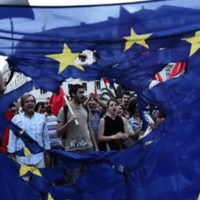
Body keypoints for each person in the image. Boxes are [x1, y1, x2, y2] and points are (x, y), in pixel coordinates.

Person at [57, 84, 98, 184]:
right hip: (72, 151)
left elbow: (90, 129)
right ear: (73, 94)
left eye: (83, 92)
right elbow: (58, 132)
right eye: (80, 92)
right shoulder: (64, 110)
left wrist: (95, 147)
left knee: (88, 180)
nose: (83, 95)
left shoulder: (85, 108)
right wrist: (68, 122)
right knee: (74, 181)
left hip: (88, 149)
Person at [8, 94, 51, 170]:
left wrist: (47, 153)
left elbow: (45, 137)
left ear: (34, 104)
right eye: (27, 102)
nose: (30, 103)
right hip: (21, 159)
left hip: (39, 158)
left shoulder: (42, 118)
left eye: (32, 101)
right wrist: (11, 154)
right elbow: (12, 138)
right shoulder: (16, 119)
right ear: (23, 105)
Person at [43, 98, 63, 167]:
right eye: (46, 103)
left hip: (58, 146)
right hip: (47, 148)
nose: (49, 105)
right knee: (47, 168)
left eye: (50, 103)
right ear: (43, 106)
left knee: (59, 167)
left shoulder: (58, 116)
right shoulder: (41, 117)